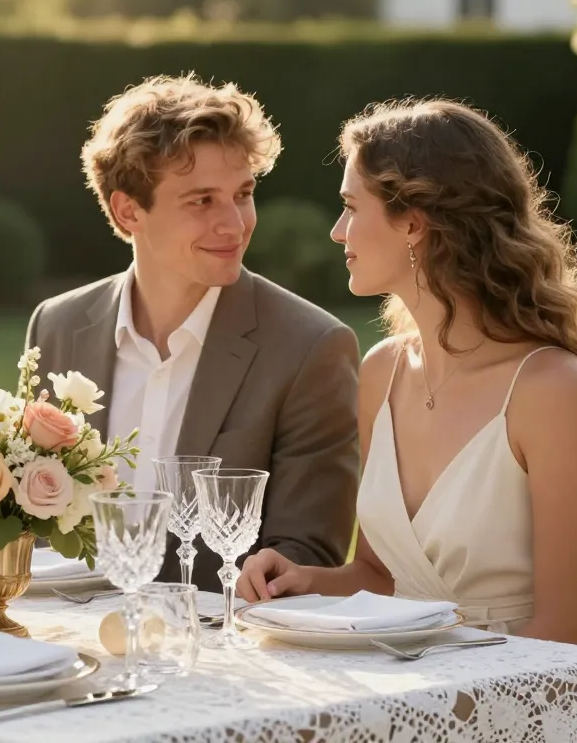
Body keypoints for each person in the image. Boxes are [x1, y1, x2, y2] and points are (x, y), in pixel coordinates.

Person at [236, 98, 577, 739]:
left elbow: (564, 633)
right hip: (410, 689)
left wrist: (439, 714)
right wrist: (304, 580)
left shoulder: (547, 386)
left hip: (535, 703)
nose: (337, 232)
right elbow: (378, 574)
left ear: (414, 222)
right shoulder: (381, 371)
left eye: (352, 207)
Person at [24, 73, 361, 594]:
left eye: (242, 194)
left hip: (221, 649)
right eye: (202, 201)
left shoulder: (310, 347)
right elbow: (29, 512)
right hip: (66, 641)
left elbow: (306, 551)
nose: (234, 224)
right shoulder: (58, 325)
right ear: (128, 210)